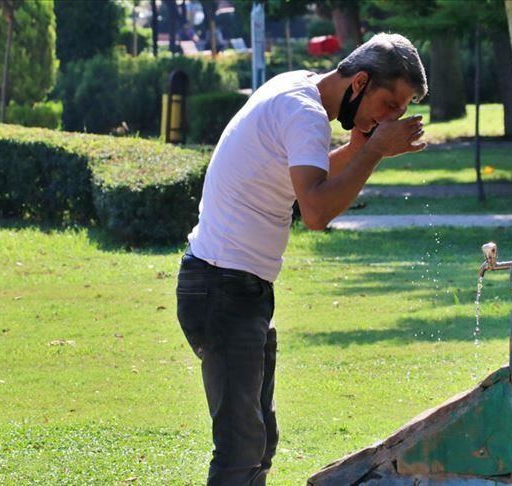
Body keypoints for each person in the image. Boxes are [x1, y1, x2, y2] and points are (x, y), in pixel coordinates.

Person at [176, 33, 428, 485]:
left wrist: (359, 147)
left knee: (259, 442)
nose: (391, 118)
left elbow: (309, 174)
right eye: (389, 104)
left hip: (235, 286)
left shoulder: (298, 87)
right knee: (241, 449)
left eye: (401, 111)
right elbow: (315, 212)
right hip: (222, 287)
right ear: (360, 82)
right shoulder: (305, 113)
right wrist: (373, 150)